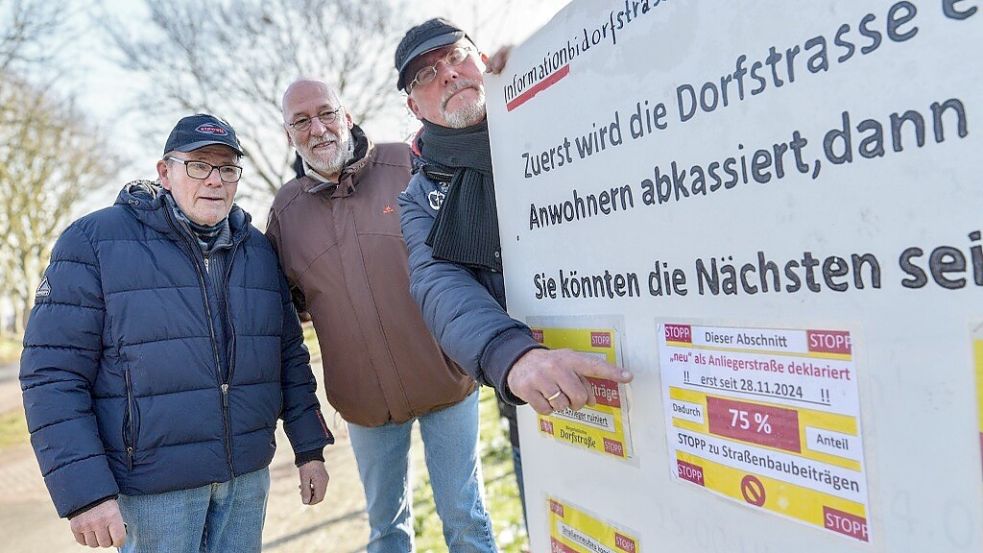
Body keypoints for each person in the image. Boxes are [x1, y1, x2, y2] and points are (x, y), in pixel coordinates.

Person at [19, 114, 333, 551]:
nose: (214, 181)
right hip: (152, 492)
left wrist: (310, 447)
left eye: (226, 168)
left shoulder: (258, 250)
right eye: (198, 165)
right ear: (165, 172)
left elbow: (287, 356)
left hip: (244, 481)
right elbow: (52, 374)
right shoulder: (93, 242)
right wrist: (86, 493)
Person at [267, 79, 498, 553]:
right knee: (386, 531)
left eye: (326, 113)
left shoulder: (406, 162)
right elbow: (283, 310)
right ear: (289, 134)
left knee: (464, 518)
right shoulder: (285, 213)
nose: (318, 129)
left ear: (346, 116)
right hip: (366, 406)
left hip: (446, 380)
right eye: (301, 121)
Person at [396, 19, 634, 417]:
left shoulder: (549, 115)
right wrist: (511, 354)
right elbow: (437, 280)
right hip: (532, 380)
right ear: (414, 107)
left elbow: (621, 91)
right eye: (425, 74)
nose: (449, 74)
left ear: (483, 60)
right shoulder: (418, 198)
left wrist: (538, 68)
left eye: (456, 56)